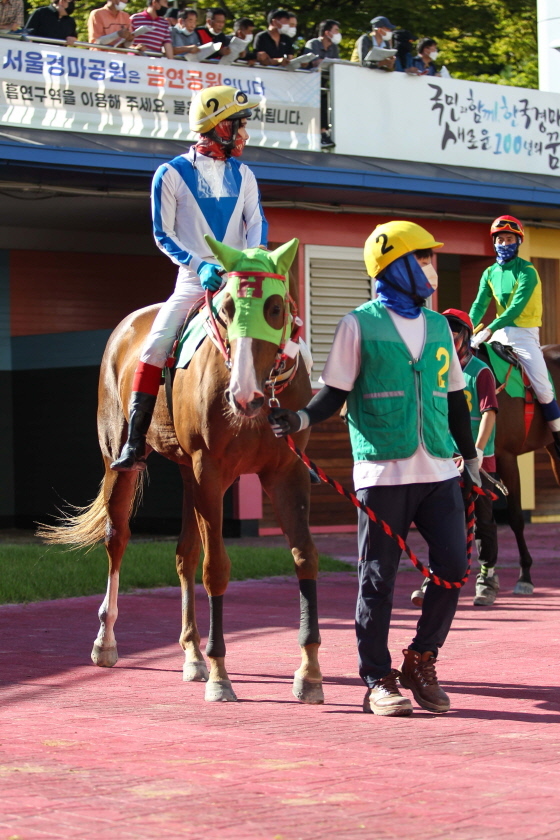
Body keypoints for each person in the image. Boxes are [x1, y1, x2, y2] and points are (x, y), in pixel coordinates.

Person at [269, 220, 481, 717]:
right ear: (396, 265)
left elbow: (453, 401)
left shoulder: (436, 327)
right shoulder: (357, 325)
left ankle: (422, 658)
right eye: (424, 257)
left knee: (453, 567)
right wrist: (299, 417)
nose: (431, 267)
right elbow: (334, 395)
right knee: (378, 579)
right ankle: (376, 678)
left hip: (438, 469)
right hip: (383, 473)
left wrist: (470, 460)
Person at [111, 86, 268, 471]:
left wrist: (251, 263)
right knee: (153, 347)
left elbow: (257, 223)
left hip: (240, 278)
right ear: (217, 127)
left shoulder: (244, 173)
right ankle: (134, 441)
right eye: (239, 126)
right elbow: (163, 234)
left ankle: (287, 437)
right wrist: (200, 266)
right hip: (195, 279)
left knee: (290, 340)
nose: (245, 135)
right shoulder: (171, 173)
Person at [412, 308, 500, 608]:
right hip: (445, 458)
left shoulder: (480, 371)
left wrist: (475, 451)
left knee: (484, 520)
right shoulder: (435, 369)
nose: (450, 335)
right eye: (445, 329)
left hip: (478, 457)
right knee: (445, 518)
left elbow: (489, 412)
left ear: (466, 335)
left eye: (456, 330)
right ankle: (436, 575)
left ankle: (487, 576)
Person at [470, 215, 560, 457]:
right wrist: (467, 326)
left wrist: (489, 328)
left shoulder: (527, 271)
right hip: (499, 334)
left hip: (523, 335)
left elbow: (515, 309)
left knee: (543, 387)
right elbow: (480, 304)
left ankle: (558, 435)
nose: (504, 243)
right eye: (500, 239)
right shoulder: (489, 272)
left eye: (509, 239)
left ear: (518, 241)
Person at [305, 18, 340, 148]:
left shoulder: (334, 47)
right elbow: (312, 62)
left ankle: (324, 133)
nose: (338, 33)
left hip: (324, 82)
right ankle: (321, 133)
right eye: (336, 30)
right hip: (309, 82)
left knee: (325, 100)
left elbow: (336, 63)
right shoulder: (313, 43)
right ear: (327, 32)